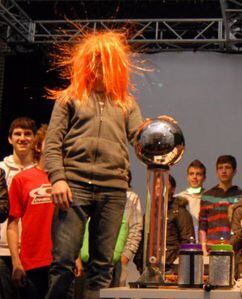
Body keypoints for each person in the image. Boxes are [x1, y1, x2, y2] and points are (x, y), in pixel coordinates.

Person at [44, 31, 143, 299]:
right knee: (63, 261)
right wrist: (58, 179)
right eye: (96, 60)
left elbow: (141, 139)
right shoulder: (69, 97)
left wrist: (159, 130)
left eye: (106, 61)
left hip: (112, 188)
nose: (100, 67)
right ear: (86, 62)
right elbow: (52, 143)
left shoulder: (126, 103)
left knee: (102, 265)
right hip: (74, 185)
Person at [7, 125, 53, 299]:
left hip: (61, 263)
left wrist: (76, 256)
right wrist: (16, 262)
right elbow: (12, 224)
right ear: (39, 146)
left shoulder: (66, 180)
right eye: (49, 142)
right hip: (31, 262)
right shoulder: (22, 179)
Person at [0, 117, 36, 299]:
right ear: (9, 139)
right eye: (18, 134)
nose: (22, 138)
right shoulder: (0, 169)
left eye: (27, 134)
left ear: (34, 138)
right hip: (3, 250)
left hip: (34, 252)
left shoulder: (42, 172)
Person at [199, 155, 242, 253]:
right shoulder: (207, 196)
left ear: (234, 171)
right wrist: (203, 248)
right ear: (216, 172)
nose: (223, 171)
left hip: (233, 249)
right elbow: (202, 226)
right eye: (220, 168)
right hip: (211, 249)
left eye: (227, 167)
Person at [165, 175, 194, 272]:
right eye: (157, 183)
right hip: (149, 267)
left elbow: (187, 242)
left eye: (165, 183)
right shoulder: (150, 211)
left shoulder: (180, 211)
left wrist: (177, 267)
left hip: (171, 268)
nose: (159, 186)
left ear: (173, 190)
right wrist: (140, 264)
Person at [176, 159, 206, 243]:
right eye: (191, 174)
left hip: (204, 244)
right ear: (187, 177)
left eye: (198, 174)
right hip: (184, 244)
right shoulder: (178, 198)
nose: (194, 177)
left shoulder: (209, 198)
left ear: (204, 178)